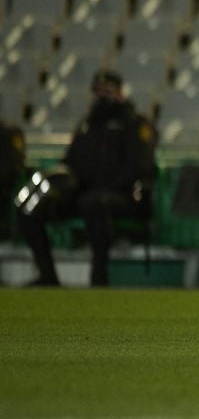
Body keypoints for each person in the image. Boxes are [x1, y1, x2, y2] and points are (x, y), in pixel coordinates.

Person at [17, 69, 156, 286]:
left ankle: (98, 278)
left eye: (107, 91)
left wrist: (108, 185)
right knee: (29, 208)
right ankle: (47, 274)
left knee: (94, 204)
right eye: (97, 91)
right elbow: (70, 162)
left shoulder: (135, 124)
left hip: (122, 197)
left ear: (119, 93)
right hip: (83, 193)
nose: (101, 96)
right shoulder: (87, 126)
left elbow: (140, 167)